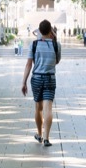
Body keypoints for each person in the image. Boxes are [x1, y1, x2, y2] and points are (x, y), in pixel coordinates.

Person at [21, 19, 61, 147]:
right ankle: (46, 138)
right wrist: (54, 37)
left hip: (37, 78)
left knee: (38, 108)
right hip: (50, 78)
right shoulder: (56, 45)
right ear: (51, 31)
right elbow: (57, 61)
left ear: (39, 30)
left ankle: (39, 134)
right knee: (48, 108)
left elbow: (28, 64)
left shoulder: (34, 45)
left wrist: (24, 82)